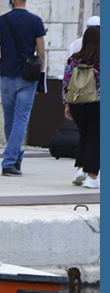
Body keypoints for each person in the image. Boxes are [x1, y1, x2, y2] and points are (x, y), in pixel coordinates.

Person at [0, 0, 46, 176]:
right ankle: (10, 161)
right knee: (21, 120)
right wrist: (40, 76)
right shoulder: (36, 21)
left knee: (10, 120)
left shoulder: (2, 21)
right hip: (27, 78)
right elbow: (41, 53)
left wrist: (2, 67)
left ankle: (14, 158)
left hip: (7, 77)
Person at [63, 24, 99, 189]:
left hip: (77, 102)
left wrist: (67, 104)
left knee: (84, 135)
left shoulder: (74, 59)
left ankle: (80, 170)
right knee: (96, 138)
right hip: (96, 103)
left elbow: (66, 82)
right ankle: (92, 176)